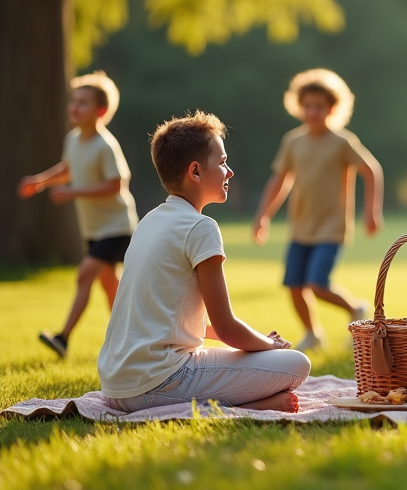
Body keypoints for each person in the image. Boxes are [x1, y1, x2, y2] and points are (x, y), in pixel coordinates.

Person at [98, 111, 310, 413]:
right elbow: (226, 329)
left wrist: (260, 340)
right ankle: (256, 403)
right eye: (222, 162)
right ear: (195, 172)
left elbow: (175, 319)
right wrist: (271, 346)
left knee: (241, 358)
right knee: (296, 364)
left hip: (116, 386)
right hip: (158, 382)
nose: (230, 171)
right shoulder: (201, 227)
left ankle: (255, 400)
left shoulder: (149, 221)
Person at [252, 69, 383, 353]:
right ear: (299, 106)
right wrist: (264, 215)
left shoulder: (342, 142)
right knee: (294, 285)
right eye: (307, 106)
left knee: (317, 283)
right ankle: (313, 334)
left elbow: (371, 171)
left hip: (332, 227)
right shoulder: (293, 142)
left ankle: (355, 307)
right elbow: (279, 181)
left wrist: (372, 211)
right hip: (301, 226)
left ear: (332, 108)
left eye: (319, 107)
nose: (312, 112)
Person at [18, 71, 139, 359]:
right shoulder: (73, 139)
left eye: (82, 103)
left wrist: (74, 193)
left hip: (117, 226)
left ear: (100, 111)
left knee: (85, 275)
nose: (74, 107)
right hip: (95, 228)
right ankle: (128, 341)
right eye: (73, 101)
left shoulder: (105, 145)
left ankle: (63, 338)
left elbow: (115, 184)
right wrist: (40, 181)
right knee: (111, 286)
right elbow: (68, 168)